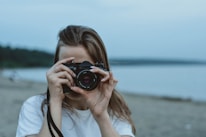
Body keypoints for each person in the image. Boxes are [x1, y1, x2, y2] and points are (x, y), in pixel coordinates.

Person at [16, 25, 136, 137]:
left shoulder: (115, 109)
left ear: (101, 69)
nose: (75, 76)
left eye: (85, 69)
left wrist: (101, 115)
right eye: (69, 67)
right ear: (55, 67)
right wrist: (55, 102)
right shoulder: (35, 106)